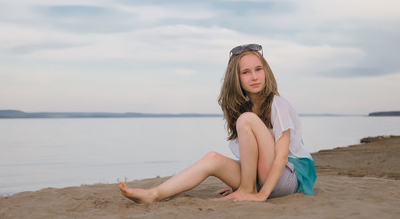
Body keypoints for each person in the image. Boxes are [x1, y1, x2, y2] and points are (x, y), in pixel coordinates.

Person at [118, 44, 317, 203]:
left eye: (258, 69)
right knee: (212, 158)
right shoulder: (242, 109)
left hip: (283, 181)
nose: (254, 77)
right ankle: (154, 194)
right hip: (259, 178)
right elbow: (252, 155)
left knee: (247, 120)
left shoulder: (278, 104)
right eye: (246, 72)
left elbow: (281, 157)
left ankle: (247, 188)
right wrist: (240, 184)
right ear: (236, 78)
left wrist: (260, 195)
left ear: (266, 71)